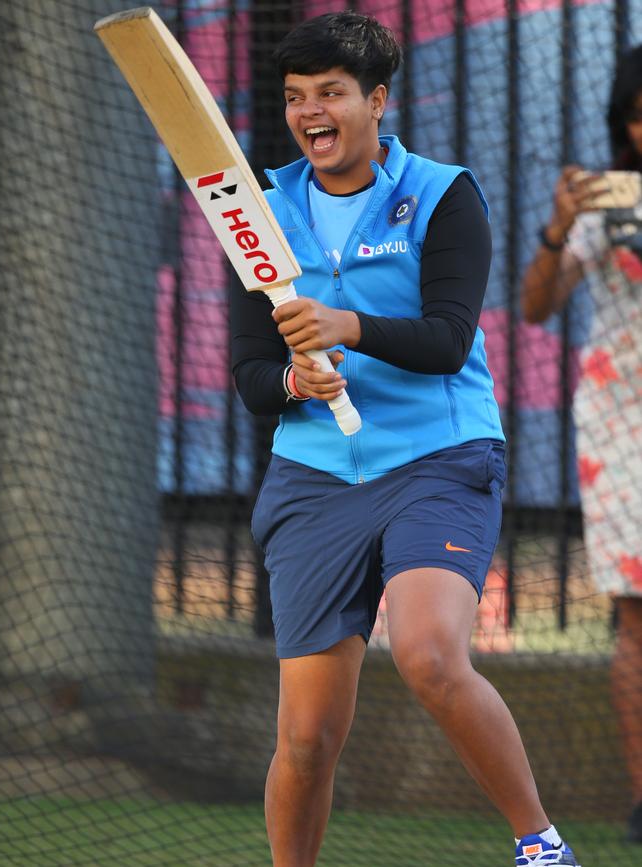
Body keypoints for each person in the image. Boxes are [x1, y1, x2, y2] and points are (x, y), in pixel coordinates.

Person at [232, 11, 580, 866]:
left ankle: (540, 845)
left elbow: (448, 339)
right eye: (295, 98)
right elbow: (250, 371)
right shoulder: (261, 208)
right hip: (314, 474)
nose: (312, 113)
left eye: (332, 94)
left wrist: (345, 323)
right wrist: (292, 379)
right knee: (307, 739)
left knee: (428, 653)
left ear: (376, 100)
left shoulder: (441, 192)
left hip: (439, 456)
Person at [520, 45, 642, 846]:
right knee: (636, 618)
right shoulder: (605, 198)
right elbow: (536, 305)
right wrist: (559, 227)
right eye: (637, 111)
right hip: (623, 421)